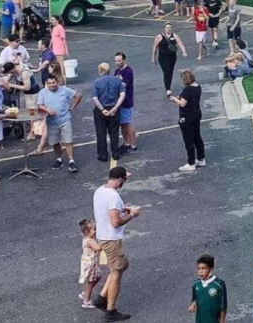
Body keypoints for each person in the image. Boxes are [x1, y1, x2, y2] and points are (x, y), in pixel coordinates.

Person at [92, 166, 140, 321]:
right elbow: (115, 222)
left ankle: (101, 298)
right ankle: (110, 310)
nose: (124, 182)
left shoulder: (100, 190)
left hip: (102, 236)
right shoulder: (113, 197)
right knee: (116, 272)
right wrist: (132, 214)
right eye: (125, 179)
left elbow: (108, 211)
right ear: (119, 179)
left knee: (122, 265)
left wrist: (123, 208)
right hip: (111, 239)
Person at [37, 76, 82, 172]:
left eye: (53, 82)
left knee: (68, 141)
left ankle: (71, 161)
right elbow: (40, 105)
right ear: (46, 83)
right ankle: (59, 159)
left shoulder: (64, 90)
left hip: (65, 120)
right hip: (51, 121)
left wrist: (73, 106)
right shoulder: (43, 92)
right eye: (49, 83)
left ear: (57, 82)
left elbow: (78, 95)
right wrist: (47, 109)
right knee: (55, 142)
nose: (52, 85)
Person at [92, 63, 126, 163]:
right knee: (114, 132)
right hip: (114, 108)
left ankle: (103, 155)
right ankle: (115, 153)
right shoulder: (117, 81)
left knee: (101, 133)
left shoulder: (96, 82)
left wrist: (102, 109)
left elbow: (95, 98)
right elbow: (122, 95)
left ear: (100, 70)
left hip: (101, 110)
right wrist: (115, 107)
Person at [171, 70, 204, 172]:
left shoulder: (187, 90)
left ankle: (191, 163)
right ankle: (200, 158)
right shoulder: (197, 86)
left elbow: (182, 103)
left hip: (187, 117)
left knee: (188, 140)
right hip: (196, 114)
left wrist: (175, 99)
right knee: (197, 137)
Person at [190, 254, 228, 323]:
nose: (200, 271)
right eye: (199, 268)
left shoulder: (219, 284)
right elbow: (195, 299)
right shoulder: (196, 284)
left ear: (211, 269)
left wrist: (222, 321)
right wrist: (193, 304)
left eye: (204, 268)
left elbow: (223, 306)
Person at [153, 23, 189, 95]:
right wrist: (153, 58)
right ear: (164, 29)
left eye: (170, 28)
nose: (169, 29)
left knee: (170, 71)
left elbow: (180, 44)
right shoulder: (159, 36)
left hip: (172, 57)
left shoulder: (175, 36)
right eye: (167, 28)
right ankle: (168, 89)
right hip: (163, 57)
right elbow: (155, 47)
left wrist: (184, 51)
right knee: (166, 71)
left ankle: (168, 85)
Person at [114, 53, 137, 153]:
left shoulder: (128, 71)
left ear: (124, 60)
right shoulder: (117, 71)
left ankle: (133, 145)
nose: (117, 63)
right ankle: (126, 143)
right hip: (119, 102)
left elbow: (123, 85)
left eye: (119, 60)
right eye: (116, 61)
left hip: (127, 101)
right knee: (122, 124)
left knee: (128, 124)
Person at [78, 219, 104, 309]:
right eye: (94, 229)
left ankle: (85, 293)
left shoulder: (88, 238)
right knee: (91, 281)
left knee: (96, 277)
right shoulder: (90, 241)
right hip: (90, 264)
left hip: (89, 262)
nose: (96, 231)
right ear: (86, 231)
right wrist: (104, 242)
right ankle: (86, 301)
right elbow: (98, 248)